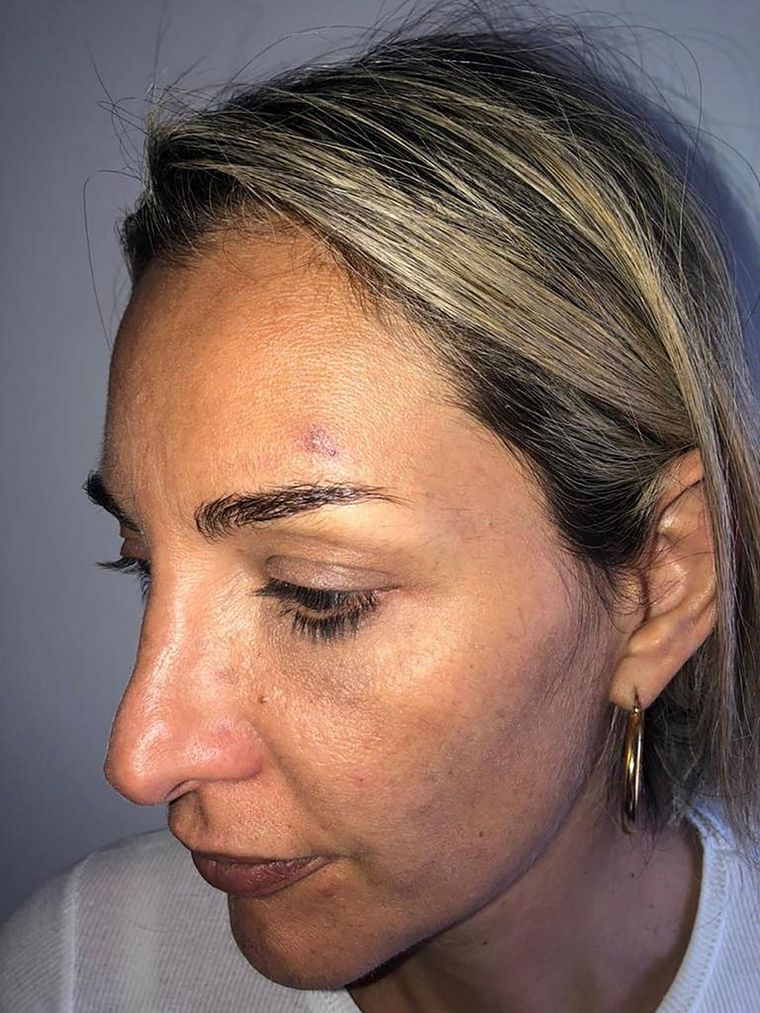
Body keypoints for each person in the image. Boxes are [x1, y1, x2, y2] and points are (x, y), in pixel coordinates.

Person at [2, 6, 759, 1012]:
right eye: (143, 564)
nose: (142, 758)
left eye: (318, 595)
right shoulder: (83, 965)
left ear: (662, 583)